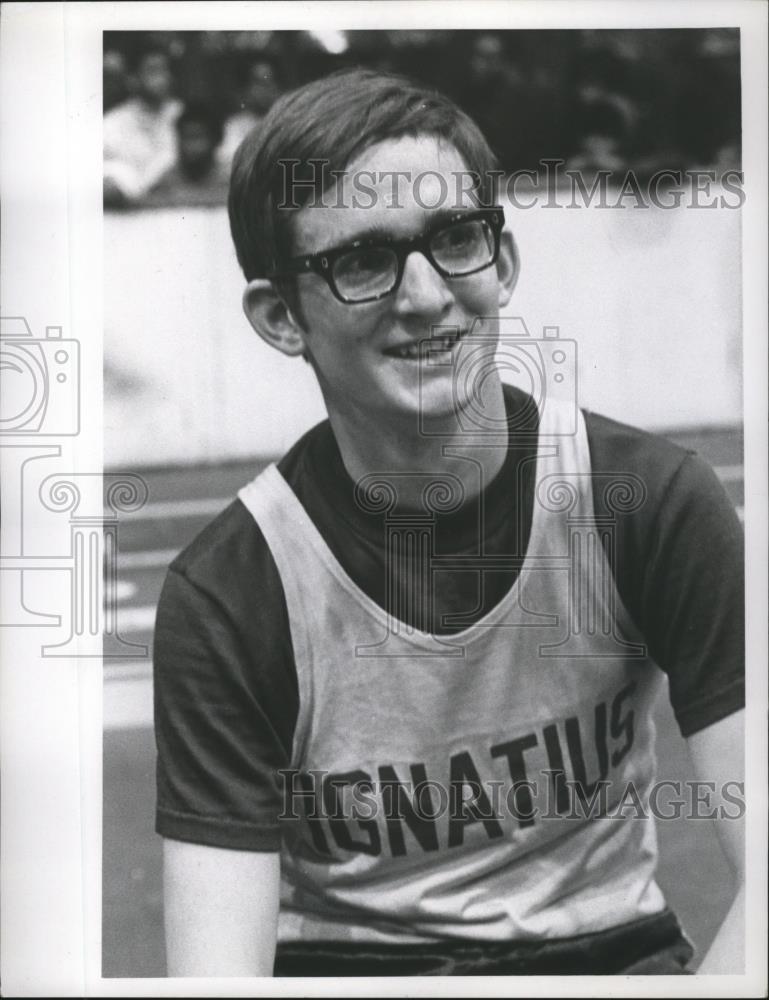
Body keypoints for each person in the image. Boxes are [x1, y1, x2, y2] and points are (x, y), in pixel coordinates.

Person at [154, 68, 744, 977]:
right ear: (280, 317)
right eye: (362, 259)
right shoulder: (232, 589)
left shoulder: (649, 503)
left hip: (609, 959)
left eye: (455, 238)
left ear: (501, 263)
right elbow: (216, 976)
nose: (426, 295)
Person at [103, 45, 182, 208]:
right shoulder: (111, 125)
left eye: (165, 71)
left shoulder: (183, 117)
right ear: (132, 79)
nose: (162, 79)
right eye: (153, 71)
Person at [146, 102, 230, 208]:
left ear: (216, 140)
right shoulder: (167, 180)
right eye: (185, 138)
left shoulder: (231, 180)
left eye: (196, 137)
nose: (189, 146)